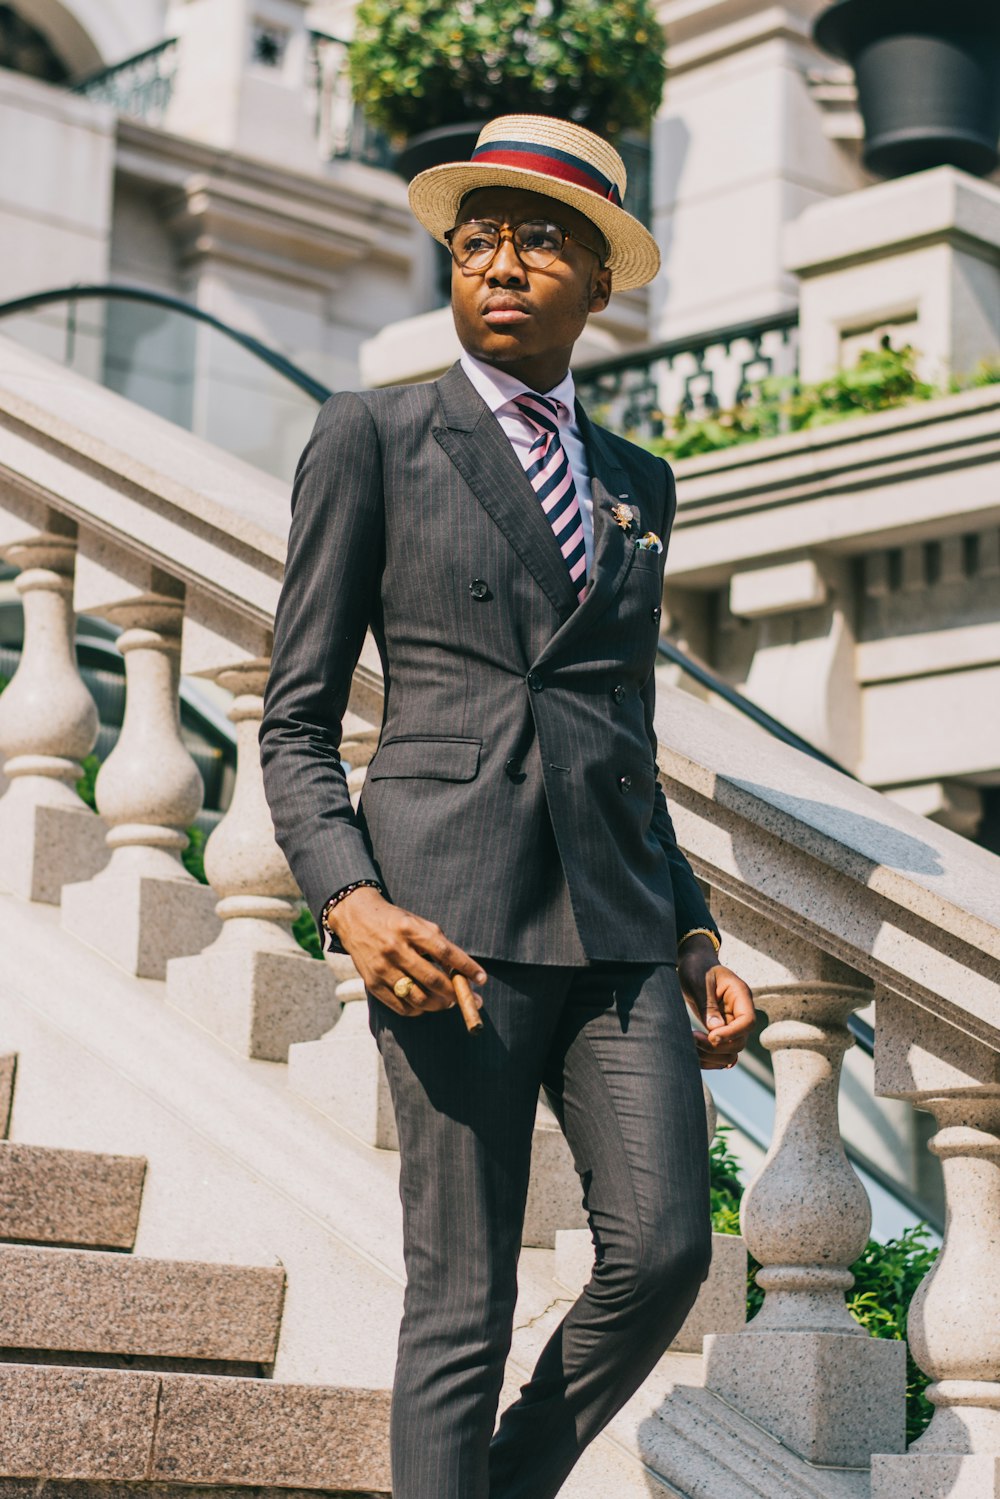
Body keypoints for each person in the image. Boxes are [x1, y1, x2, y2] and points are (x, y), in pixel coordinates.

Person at [260, 113, 756, 1499]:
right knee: (461, 1296)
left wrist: (697, 933)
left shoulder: (637, 484)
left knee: (665, 1250)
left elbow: (623, 735)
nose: (502, 264)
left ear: (602, 281)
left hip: (617, 927)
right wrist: (349, 901)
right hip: (445, 924)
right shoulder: (373, 439)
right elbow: (293, 717)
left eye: (542, 242)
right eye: (477, 243)